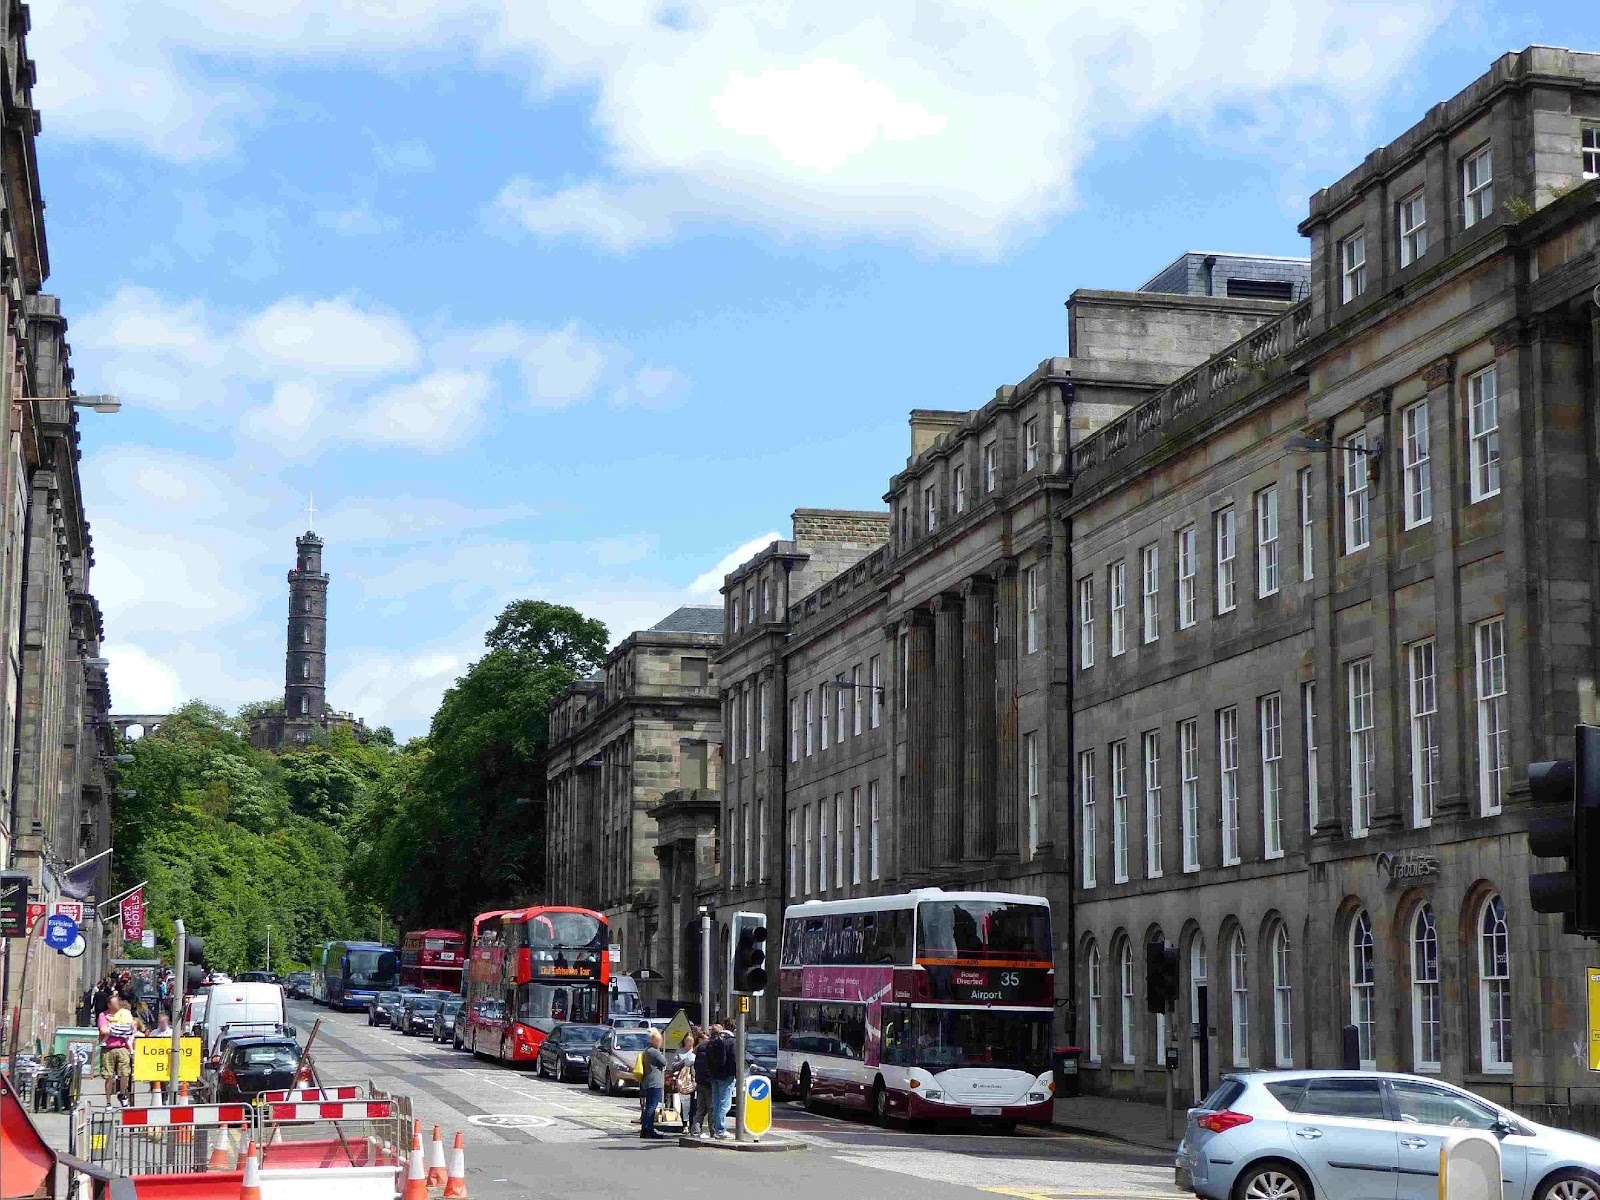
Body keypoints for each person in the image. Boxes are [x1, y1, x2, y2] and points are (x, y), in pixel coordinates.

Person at [98, 996, 136, 1107]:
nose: (118, 1005)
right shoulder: (103, 1016)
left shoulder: (124, 1013)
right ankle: (108, 1102)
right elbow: (104, 1030)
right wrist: (121, 1031)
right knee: (109, 1076)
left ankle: (122, 1094)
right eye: (115, 1003)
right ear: (109, 1005)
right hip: (108, 1049)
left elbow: (130, 1028)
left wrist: (115, 1030)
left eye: (118, 1003)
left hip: (122, 1047)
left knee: (125, 1073)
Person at [704, 1024, 737, 1140]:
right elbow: (734, 1059)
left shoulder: (711, 1042)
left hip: (714, 1076)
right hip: (726, 1076)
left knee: (717, 1103)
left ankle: (716, 1128)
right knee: (724, 1104)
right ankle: (720, 1130)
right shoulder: (731, 1042)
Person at [639, 1030, 670, 1140]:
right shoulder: (654, 1051)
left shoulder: (647, 1050)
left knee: (649, 1106)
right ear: (655, 1041)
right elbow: (664, 1062)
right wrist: (660, 1052)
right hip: (655, 1082)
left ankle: (646, 1129)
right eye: (659, 1041)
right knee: (652, 1106)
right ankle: (648, 1129)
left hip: (647, 1081)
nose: (660, 1043)